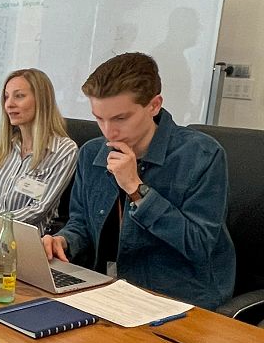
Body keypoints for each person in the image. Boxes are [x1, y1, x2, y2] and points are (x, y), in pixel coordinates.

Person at [42, 53, 235, 311]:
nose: (108, 131)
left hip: (178, 298)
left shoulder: (202, 155)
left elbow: (199, 245)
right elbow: (82, 224)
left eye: (120, 118)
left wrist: (136, 188)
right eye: (99, 118)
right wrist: (63, 240)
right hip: (106, 291)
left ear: (154, 105)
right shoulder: (91, 153)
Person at [0, 68, 78, 233]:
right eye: (6, 97)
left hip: (27, 238)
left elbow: (39, 209)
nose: (9, 104)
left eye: (19, 96)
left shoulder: (63, 150)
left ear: (41, 100)